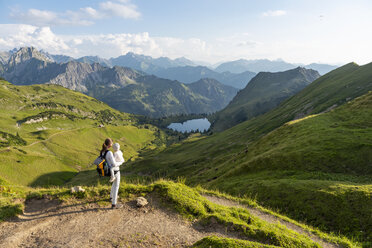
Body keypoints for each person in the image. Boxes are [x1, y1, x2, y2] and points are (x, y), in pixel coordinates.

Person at [100, 138, 123, 209]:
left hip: (108, 171)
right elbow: (114, 164)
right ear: (110, 144)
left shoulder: (102, 151)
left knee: (114, 183)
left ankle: (111, 197)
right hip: (115, 171)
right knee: (116, 186)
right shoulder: (109, 153)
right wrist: (121, 162)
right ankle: (114, 204)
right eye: (112, 143)